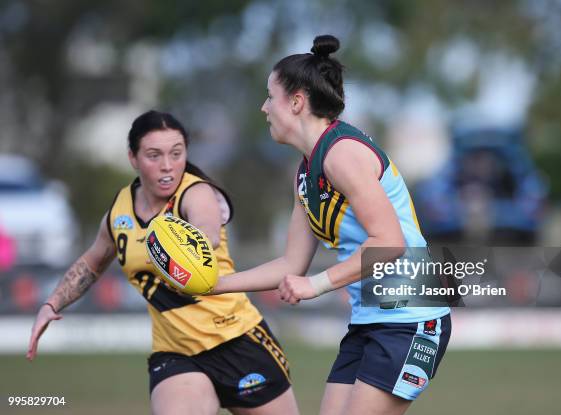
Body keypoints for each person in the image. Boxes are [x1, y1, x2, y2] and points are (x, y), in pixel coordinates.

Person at [212, 35, 451, 415]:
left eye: (269, 96)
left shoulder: (342, 154)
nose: (264, 107)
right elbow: (291, 266)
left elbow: (389, 242)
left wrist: (317, 285)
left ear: (296, 102)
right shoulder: (307, 172)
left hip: (410, 320)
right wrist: (212, 285)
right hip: (369, 321)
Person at [26, 110, 299, 415]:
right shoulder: (120, 213)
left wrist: (184, 248)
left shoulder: (196, 193)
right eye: (154, 155)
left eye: (176, 153)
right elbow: (91, 263)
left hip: (238, 341)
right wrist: (50, 305)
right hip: (176, 353)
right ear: (133, 158)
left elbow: (208, 235)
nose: (167, 166)